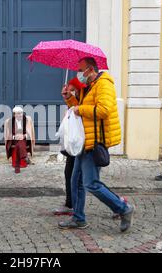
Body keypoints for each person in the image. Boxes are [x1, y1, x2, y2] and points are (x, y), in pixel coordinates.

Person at [58, 57, 134, 232]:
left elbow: (104, 110)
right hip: (85, 140)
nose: (79, 74)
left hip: (96, 141)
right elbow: (80, 108)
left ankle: (123, 208)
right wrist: (69, 99)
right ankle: (78, 218)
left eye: (81, 70)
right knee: (76, 179)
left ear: (90, 69)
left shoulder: (104, 84)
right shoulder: (89, 86)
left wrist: (80, 109)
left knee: (91, 183)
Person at [53, 77, 86, 216]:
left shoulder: (87, 92)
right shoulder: (79, 95)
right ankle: (70, 204)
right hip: (75, 140)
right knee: (70, 173)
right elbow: (75, 109)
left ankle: (119, 205)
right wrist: (68, 98)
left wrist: (71, 100)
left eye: (72, 89)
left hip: (83, 140)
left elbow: (80, 111)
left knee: (92, 181)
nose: (71, 91)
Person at [4, 106, 35, 173]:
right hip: (13, 140)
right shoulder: (9, 121)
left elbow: (30, 132)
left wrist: (24, 136)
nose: (20, 115)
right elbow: (7, 135)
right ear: (14, 114)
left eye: (21, 113)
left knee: (20, 143)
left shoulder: (27, 120)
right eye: (18, 113)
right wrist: (15, 137)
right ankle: (25, 157)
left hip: (25, 139)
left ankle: (17, 166)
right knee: (19, 144)